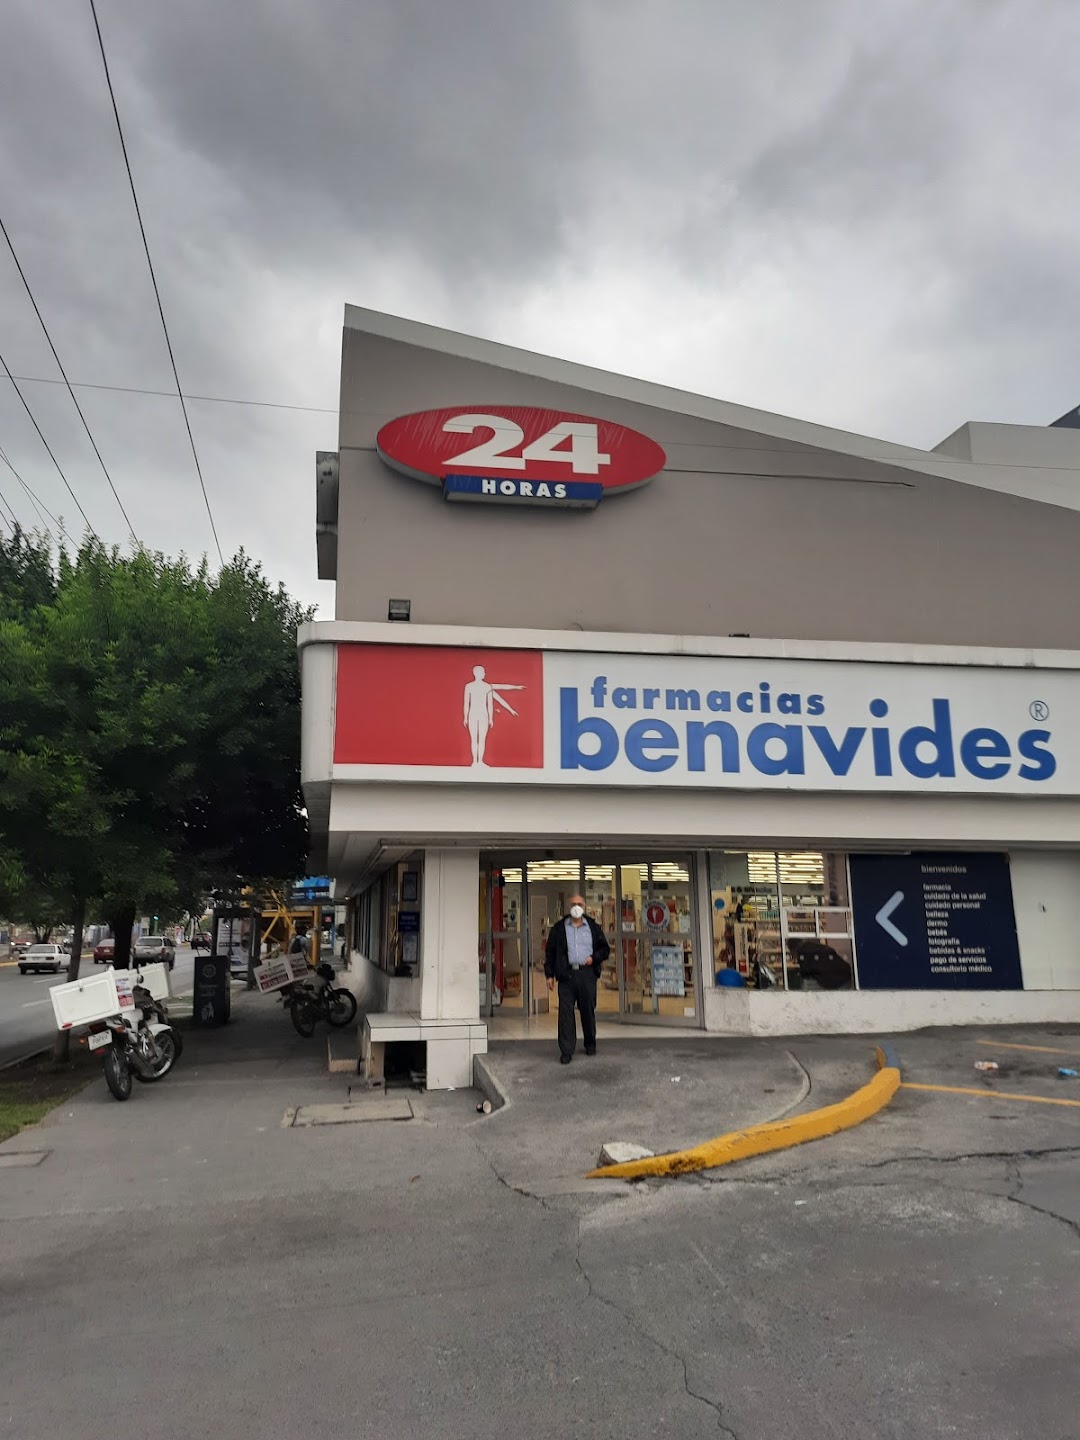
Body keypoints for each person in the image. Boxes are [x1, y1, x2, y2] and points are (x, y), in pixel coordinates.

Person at [544, 895, 611, 1065]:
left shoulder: (593, 927)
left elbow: (605, 950)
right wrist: (549, 975)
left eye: (579, 904)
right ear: (568, 906)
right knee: (565, 1014)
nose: (576, 907)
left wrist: (593, 958)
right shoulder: (559, 928)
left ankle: (590, 1043)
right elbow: (550, 952)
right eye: (573, 904)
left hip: (586, 974)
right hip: (566, 975)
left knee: (587, 1010)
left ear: (585, 906)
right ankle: (566, 1050)